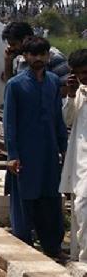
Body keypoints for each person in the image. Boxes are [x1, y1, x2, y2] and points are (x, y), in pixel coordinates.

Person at [3, 36, 68, 258]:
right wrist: (12, 155)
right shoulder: (15, 85)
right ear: (26, 57)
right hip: (26, 152)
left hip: (49, 151)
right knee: (25, 198)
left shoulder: (52, 82)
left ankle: (52, 246)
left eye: (42, 54)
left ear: (48, 56)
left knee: (50, 197)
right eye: (34, 54)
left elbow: (58, 118)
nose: (38, 58)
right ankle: (24, 246)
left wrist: (64, 147)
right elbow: (9, 122)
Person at [61, 49, 87, 261]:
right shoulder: (79, 93)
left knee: (83, 208)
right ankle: (78, 259)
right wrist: (70, 94)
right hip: (80, 163)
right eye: (79, 74)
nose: (84, 77)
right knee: (79, 210)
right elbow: (67, 120)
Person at [2, 21, 69, 83]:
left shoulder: (54, 57)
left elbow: (66, 88)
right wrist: (8, 62)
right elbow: (12, 87)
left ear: (26, 39)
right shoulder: (21, 60)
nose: (11, 48)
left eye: (13, 44)